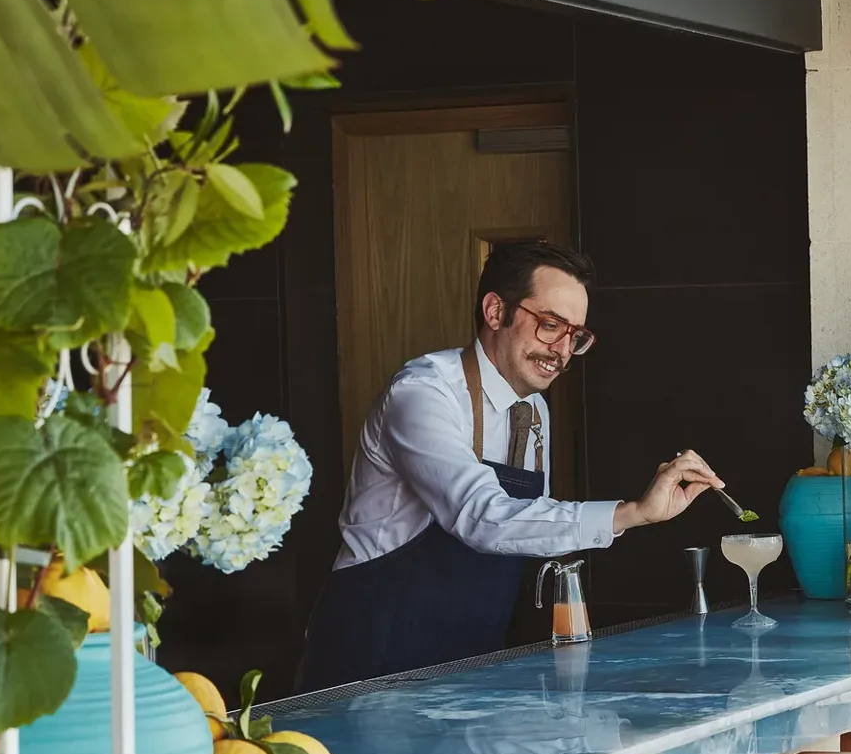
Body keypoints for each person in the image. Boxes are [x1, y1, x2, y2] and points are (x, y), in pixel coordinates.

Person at [295, 241, 722, 691]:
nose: (561, 350)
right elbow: (481, 516)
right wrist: (633, 512)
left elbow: (525, 530)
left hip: (469, 663)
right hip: (375, 660)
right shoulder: (423, 393)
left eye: (574, 335)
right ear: (496, 311)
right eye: (550, 325)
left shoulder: (535, 411)